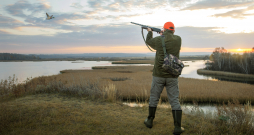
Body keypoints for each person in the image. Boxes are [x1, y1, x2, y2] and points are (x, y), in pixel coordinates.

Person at [144, 22, 185, 135]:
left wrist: (149, 32)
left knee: (154, 98)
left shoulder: (158, 40)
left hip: (158, 75)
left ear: (164, 29)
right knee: (174, 101)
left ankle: (149, 121)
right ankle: (177, 127)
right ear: (173, 30)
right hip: (172, 75)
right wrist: (163, 34)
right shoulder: (178, 39)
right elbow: (169, 38)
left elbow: (149, 42)